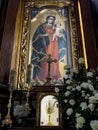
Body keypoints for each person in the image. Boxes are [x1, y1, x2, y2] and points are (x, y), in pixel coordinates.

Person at [31, 15, 67, 81]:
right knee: (46, 59)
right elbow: (36, 36)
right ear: (47, 19)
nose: (51, 20)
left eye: (53, 19)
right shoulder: (41, 27)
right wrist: (44, 35)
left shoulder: (55, 27)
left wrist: (60, 35)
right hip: (46, 45)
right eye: (50, 19)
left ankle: (54, 76)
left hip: (55, 44)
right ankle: (43, 76)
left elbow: (60, 34)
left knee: (54, 59)